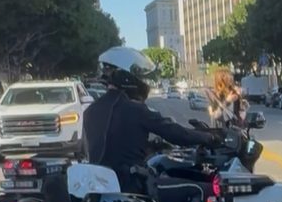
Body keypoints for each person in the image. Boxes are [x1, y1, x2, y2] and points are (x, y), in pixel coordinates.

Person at [83, 47, 220, 192]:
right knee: (202, 190)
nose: (143, 81)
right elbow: (176, 134)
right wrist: (209, 137)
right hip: (133, 186)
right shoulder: (135, 109)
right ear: (126, 76)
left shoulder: (90, 111)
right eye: (139, 75)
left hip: (101, 189)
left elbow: (111, 144)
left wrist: (150, 146)